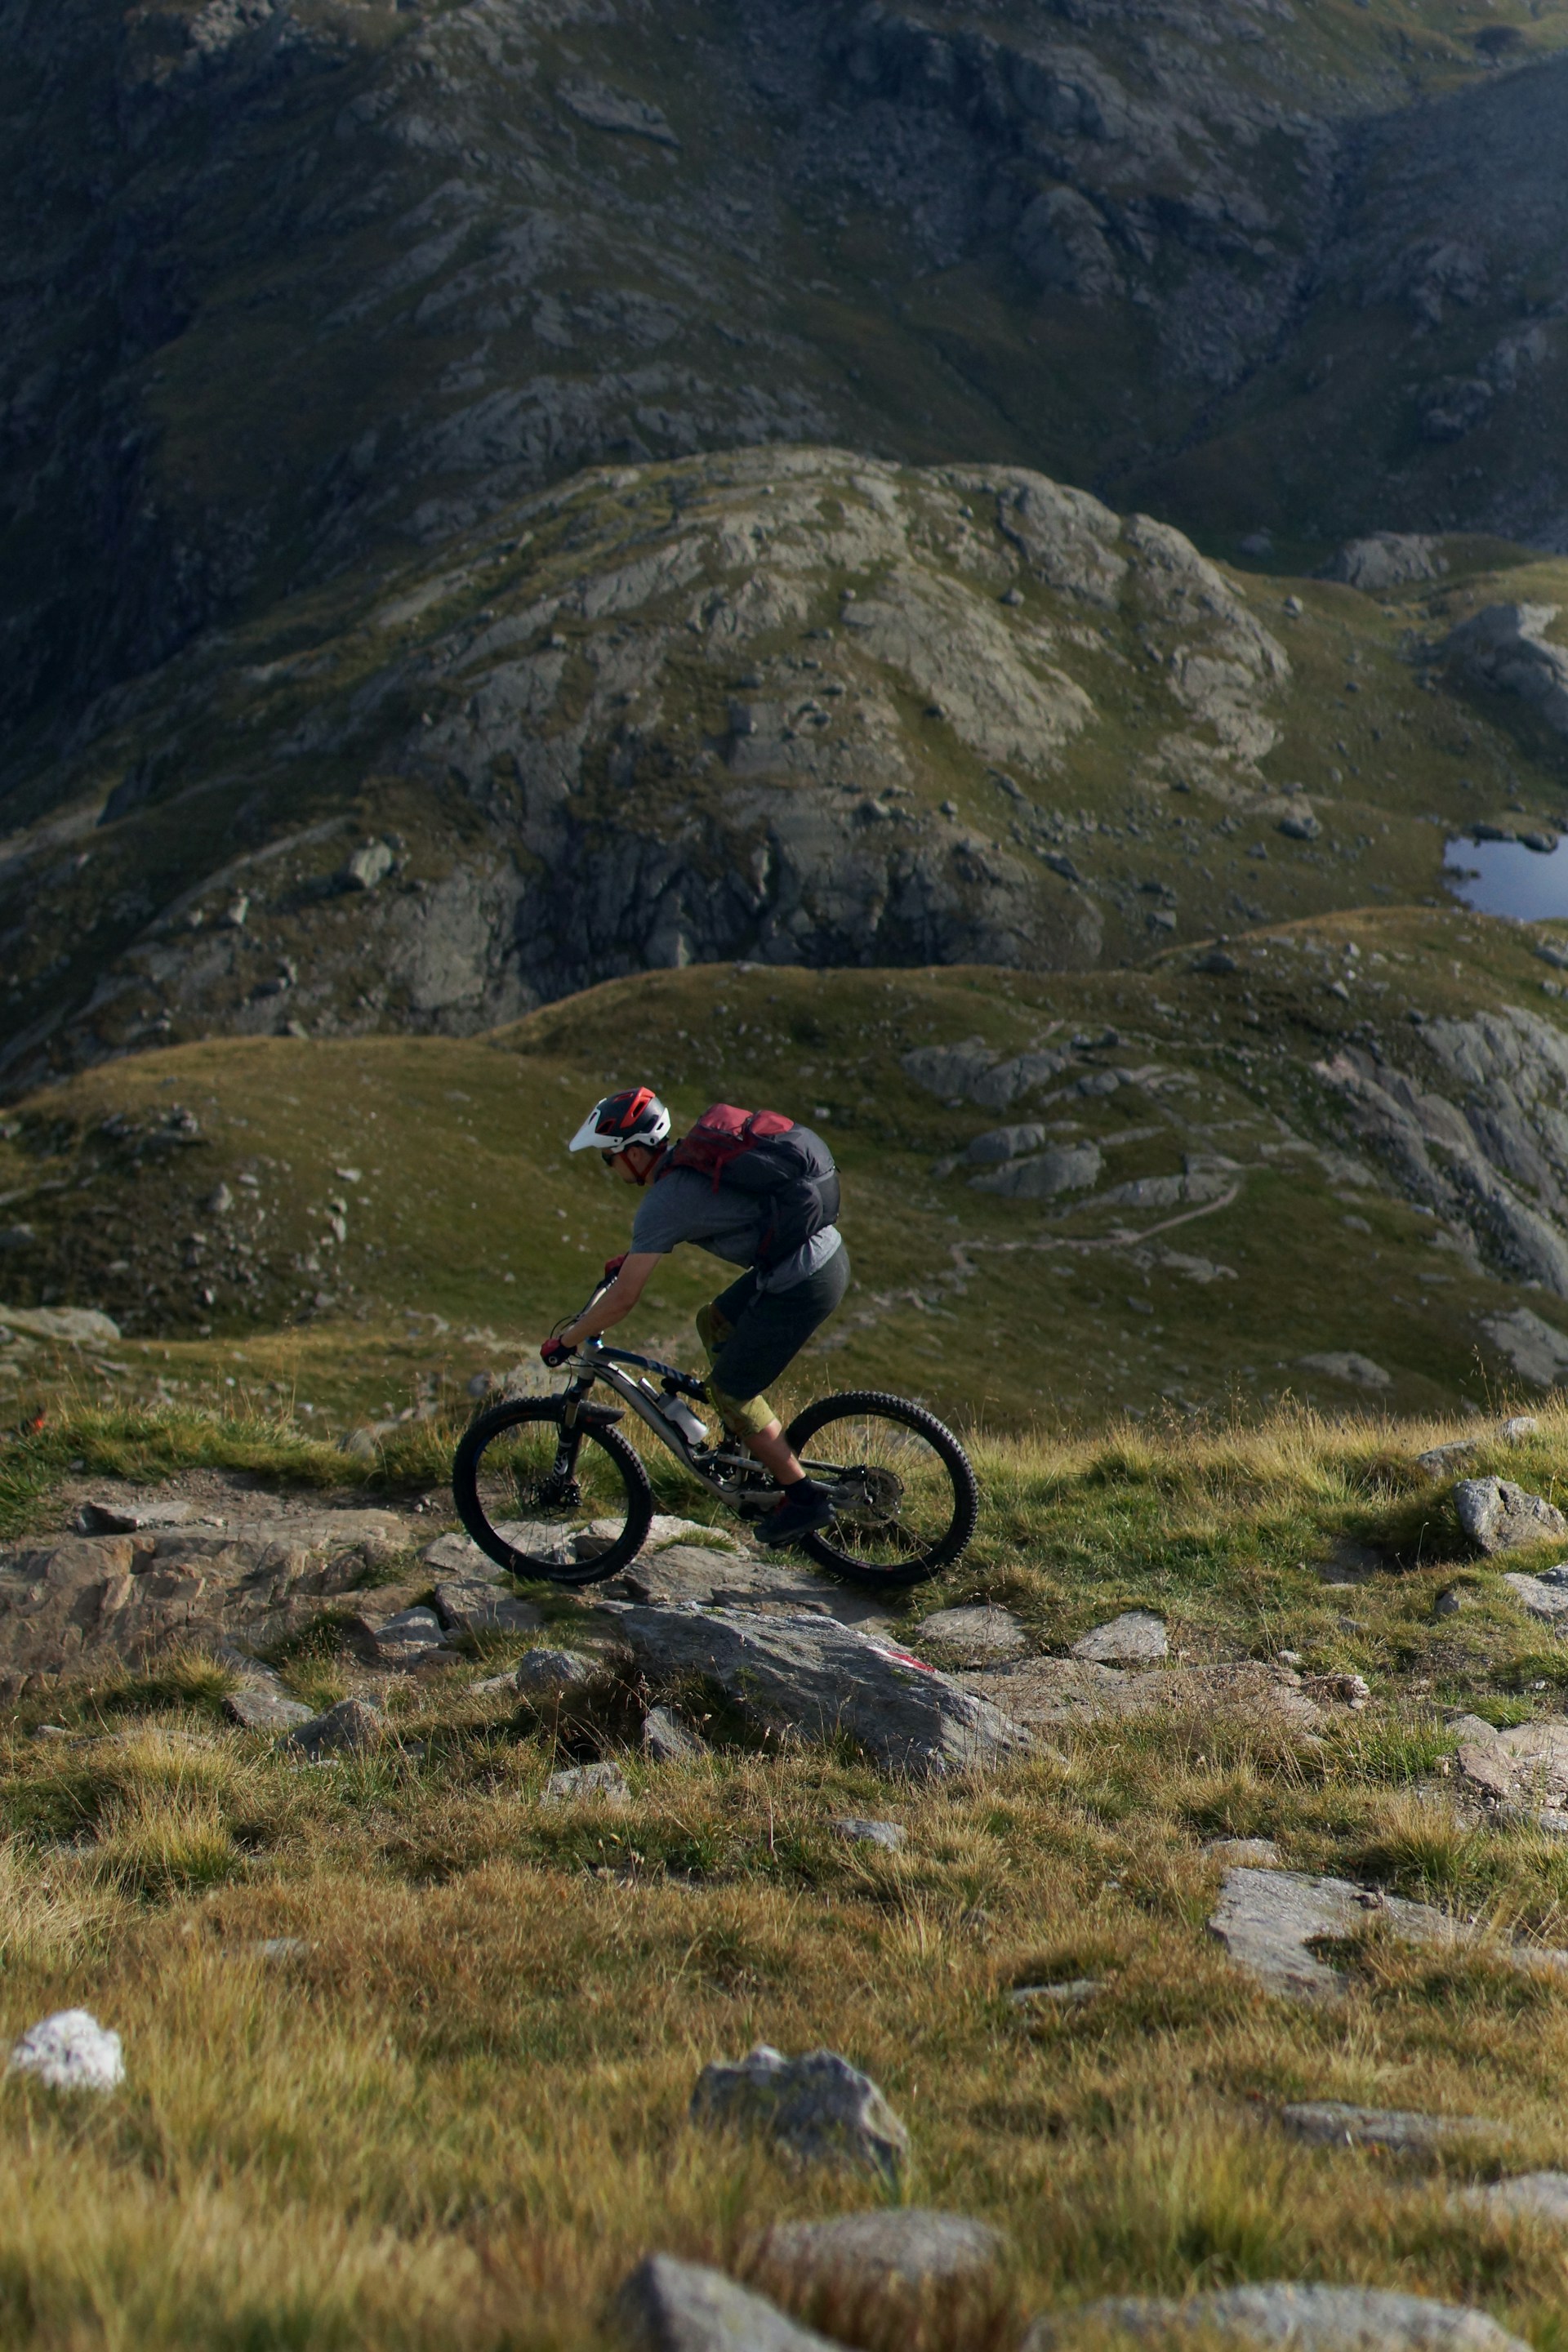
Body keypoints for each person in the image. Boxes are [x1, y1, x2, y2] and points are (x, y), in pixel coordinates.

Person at [540, 1086, 849, 1547]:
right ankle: (744, 1445)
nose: (608, 1168)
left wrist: (566, 1341)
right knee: (714, 1320)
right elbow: (699, 1214)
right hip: (818, 1256)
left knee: (729, 1390)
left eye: (609, 1157)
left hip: (803, 1279)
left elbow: (624, 1300)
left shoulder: (662, 1201)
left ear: (632, 1152)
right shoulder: (689, 1162)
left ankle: (803, 1497)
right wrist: (629, 1258)